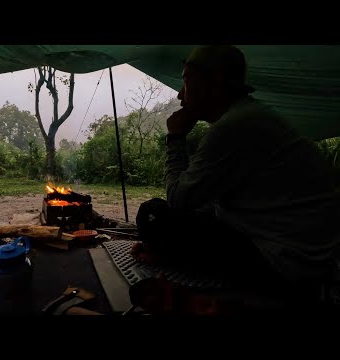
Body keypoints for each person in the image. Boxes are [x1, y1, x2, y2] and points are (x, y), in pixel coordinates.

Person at [132, 45, 340, 305]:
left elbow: (178, 200)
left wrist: (175, 137)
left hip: (283, 263)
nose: (180, 94)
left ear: (215, 80)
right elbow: (215, 202)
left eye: (186, 80)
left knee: (153, 214)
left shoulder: (234, 126)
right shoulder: (252, 117)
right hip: (305, 256)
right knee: (189, 217)